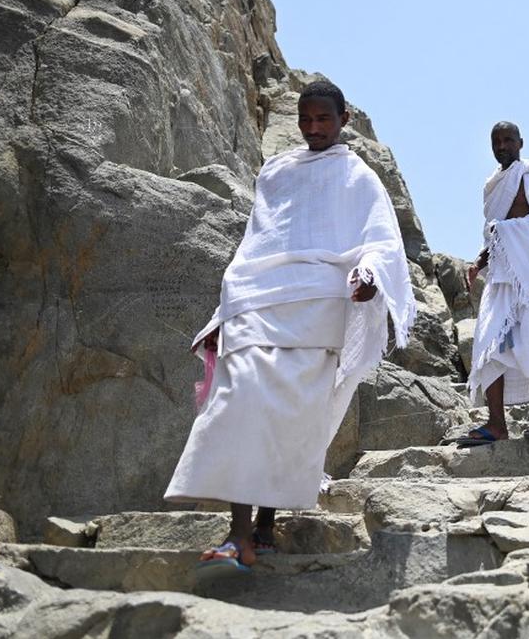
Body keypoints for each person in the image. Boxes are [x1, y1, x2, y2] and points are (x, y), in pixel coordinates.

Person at [164, 80, 415, 577]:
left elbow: (380, 240)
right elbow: (257, 242)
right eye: (306, 119)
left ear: (344, 120)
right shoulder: (276, 172)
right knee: (239, 401)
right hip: (256, 298)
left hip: (318, 306)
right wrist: (224, 312)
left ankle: (263, 527)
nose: (313, 128)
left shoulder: (359, 177)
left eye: (323, 119)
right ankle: (238, 533)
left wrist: (368, 275)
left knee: (289, 418)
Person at [457, 121, 529, 446]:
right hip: (502, 279)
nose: (502, 146)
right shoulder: (493, 185)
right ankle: (496, 424)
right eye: (496, 141)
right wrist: (478, 263)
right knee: (487, 343)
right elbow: (494, 235)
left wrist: (512, 232)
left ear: (521, 142)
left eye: (508, 140)